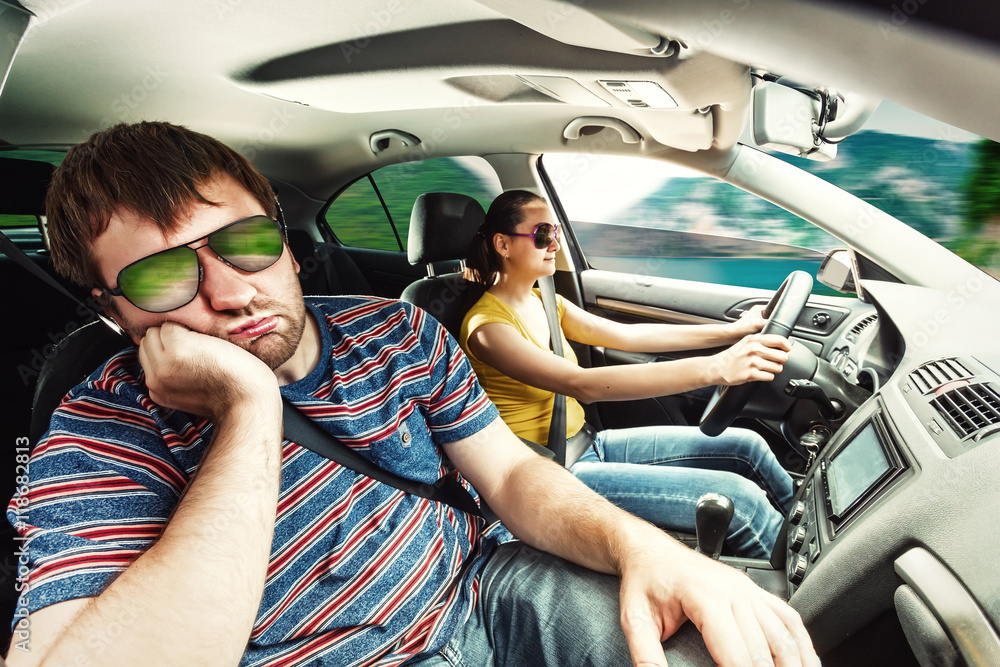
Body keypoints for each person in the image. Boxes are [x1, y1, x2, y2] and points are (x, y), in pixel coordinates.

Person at [5, 122, 818, 667]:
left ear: (287, 248)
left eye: (246, 243)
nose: (229, 291)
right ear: (115, 312)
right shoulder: (97, 436)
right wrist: (247, 407)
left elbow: (509, 476)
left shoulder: (394, 333)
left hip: (486, 588)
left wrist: (645, 548)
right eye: (162, 273)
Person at [460, 190, 796, 559]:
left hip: (589, 443)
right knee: (739, 500)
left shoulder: (546, 301)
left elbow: (630, 335)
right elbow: (581, 385)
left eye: (556, 231)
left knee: (747, 446)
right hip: (552, 472)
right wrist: (717, 367)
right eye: (543, 234)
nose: (555, 242)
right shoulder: (488, 329)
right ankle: (813, 596)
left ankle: (807, 543)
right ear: (503, 245)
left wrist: (733, 331)